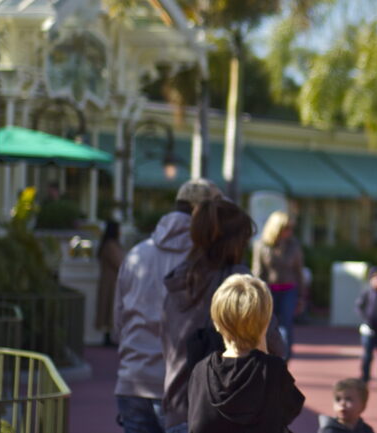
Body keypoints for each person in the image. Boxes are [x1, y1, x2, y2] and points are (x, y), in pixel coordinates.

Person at [163, 197, 286, 433]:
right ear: (236, 241)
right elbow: (275, 347)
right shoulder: (241, 285)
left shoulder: (178, 279)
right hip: (229, 412)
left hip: (178, 406)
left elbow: (166, 345)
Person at [113, 178, 219, 433]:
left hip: (133, 379)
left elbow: (118, 321)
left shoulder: (137, 253)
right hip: (182, 387)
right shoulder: (207, 260)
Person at [188, 273, 305, 433]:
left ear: (216, 323)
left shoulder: (201, 371)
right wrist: (263, 350)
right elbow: (290, 411)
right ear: (266, 323)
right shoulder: (273, 371)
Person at [253, 209, 304, 361]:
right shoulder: (261, 244)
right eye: (286, 228)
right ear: (277, 228)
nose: (289, 232)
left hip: (289, 289)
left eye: (290, 228)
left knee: (286, 327)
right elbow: (257, 271)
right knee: (267, 326)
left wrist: (301, 296)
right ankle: (268, 357)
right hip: (269, 290)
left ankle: (284, 359)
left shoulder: (293, 245)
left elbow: (298, 270)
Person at [96, 220, 125, 347]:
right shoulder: (110, 245)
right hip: (110, 283)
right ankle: (108, 338)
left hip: (110, 282)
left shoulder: (109, 244)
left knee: (110, 309)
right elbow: (119, 263)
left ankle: (109, 337)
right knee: (109, 309)